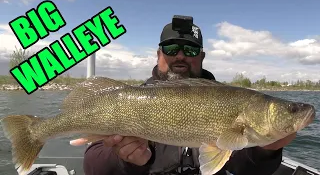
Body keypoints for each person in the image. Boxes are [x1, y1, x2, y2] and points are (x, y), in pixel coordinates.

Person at [75, 17, 297, 175]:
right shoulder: (129, 100)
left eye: (190, 50)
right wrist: (125, 160)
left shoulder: (231, 101)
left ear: (201, 57)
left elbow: (247, 170)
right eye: (171, 48)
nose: (180, 56)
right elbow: (93, 168)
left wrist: (266, 151)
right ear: (158, 54)